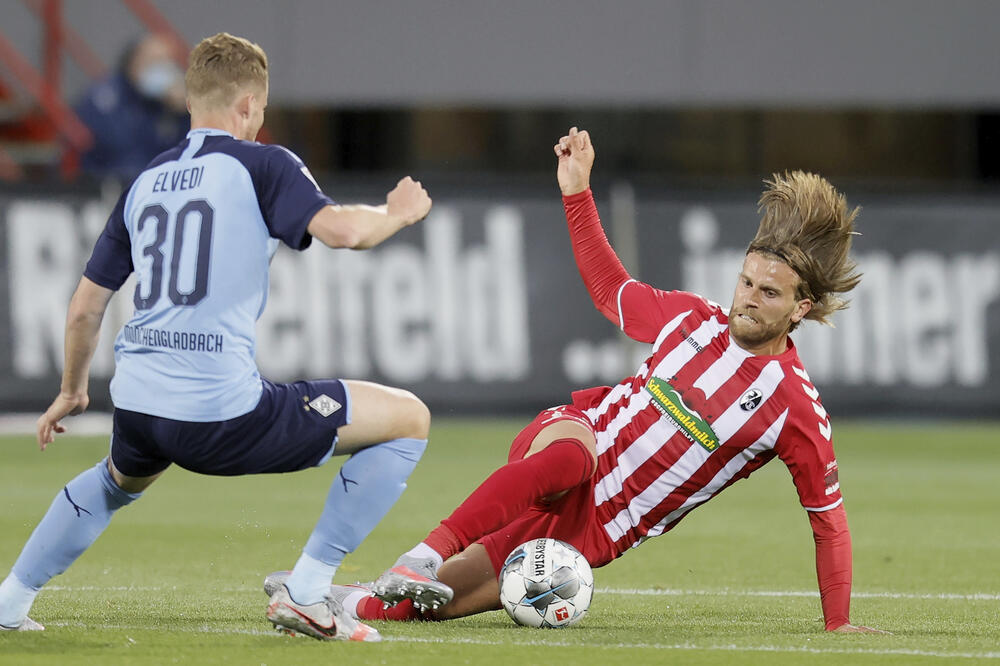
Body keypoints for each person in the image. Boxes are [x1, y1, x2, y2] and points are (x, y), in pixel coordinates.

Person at [272, 127, 886, 633]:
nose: (747, 299)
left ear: (800, 309)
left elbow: (827, 517)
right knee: (570, 460)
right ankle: (421, 556)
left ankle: (333, 597)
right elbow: (609, 289)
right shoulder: (692, 319)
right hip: (578, 434)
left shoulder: (792, 407)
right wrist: (577, 193)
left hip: (598, 529)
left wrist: (838, 625)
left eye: (768, 293)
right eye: (746, 282)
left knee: (438, 605)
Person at [0, 32, 434, 642]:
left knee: (113, 481)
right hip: (218, 413)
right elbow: (342, 232)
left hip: (141, 405)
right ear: (250, 106)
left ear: (189, 103)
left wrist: (72, 389)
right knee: (408, 419)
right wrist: (397, 213)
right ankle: (309, 592)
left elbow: (83, 309)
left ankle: (8, 602)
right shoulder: (262, 162)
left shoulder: (145, 180)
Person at [75, 33, 189, 182]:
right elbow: (122, 149)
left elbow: (183, 152)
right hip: (106, 185)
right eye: (155, 62)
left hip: (153, 187)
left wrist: (185, 114)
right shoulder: (105, 98)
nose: (162, 71)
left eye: (167, 64)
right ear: (134, 62)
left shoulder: (163, 104)